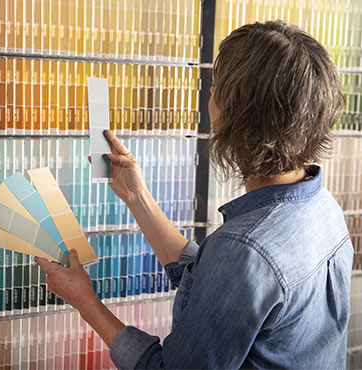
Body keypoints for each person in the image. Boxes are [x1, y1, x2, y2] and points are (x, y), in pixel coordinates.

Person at [35, 20, 354, 368]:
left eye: (216, 87)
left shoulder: (244, 251)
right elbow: (216, 286)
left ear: (237, 114)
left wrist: (85, 301)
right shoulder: (322, 207)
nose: (209, 97)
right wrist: (136, 197)